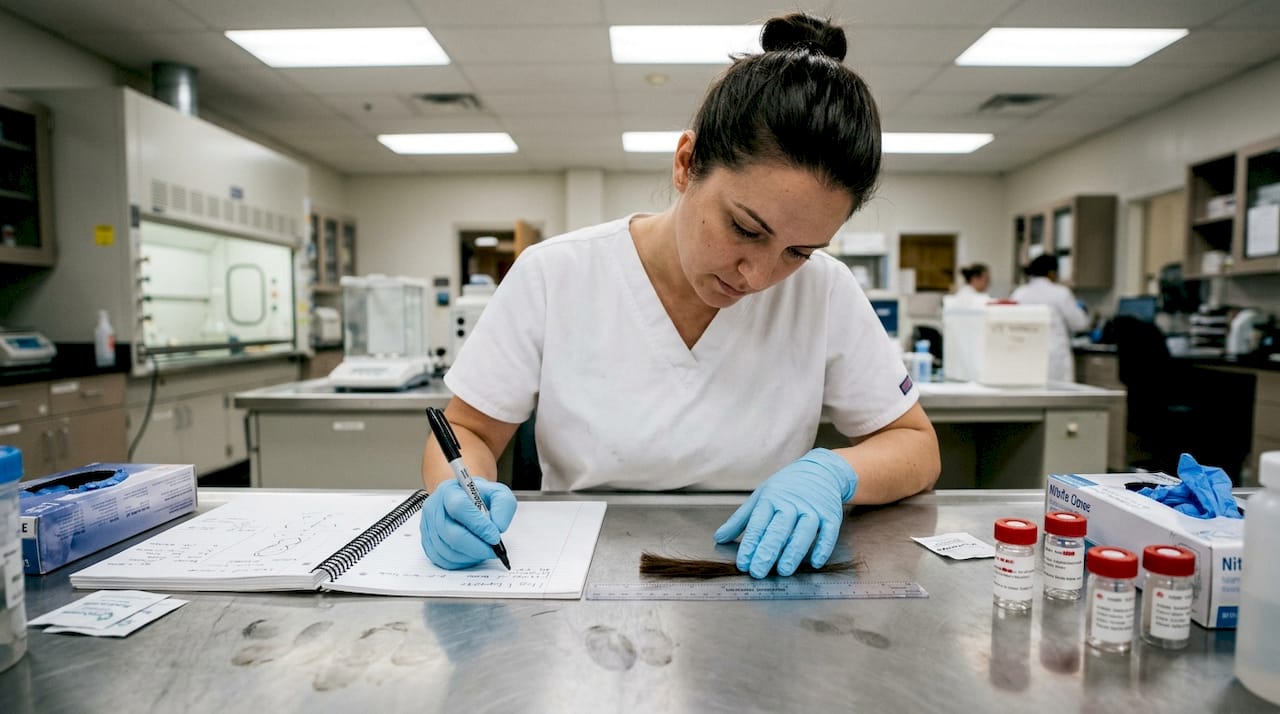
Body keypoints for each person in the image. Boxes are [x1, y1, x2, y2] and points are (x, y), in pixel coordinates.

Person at [419, 13, 941, 580]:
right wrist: (456, 494)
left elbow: (914, 445)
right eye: (745, 228)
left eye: (799, 251)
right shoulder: (556, 274)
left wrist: (835, 471)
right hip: (578, 581)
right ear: (686, 163)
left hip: (757, 574)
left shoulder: (826, 291)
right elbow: (466, 430)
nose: (759, 275)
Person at [1010, 254, 1090, 383]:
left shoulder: (1019, 293)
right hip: (1053, 355)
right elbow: (1079, 324)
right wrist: (1083, 311)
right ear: (1052, 273)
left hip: (1025, 352)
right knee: (1058, 398)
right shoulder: (1060, 292)